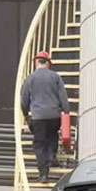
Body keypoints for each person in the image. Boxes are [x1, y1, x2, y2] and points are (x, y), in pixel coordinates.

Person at [19, 51, 70, 184]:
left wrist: (26, 114)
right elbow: (63, 98)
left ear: (36, 62)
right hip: (54, 114)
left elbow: (24, 100)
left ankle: (43, 173)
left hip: (38, 116)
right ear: (48, 63)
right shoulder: (56, 77)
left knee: (40, 143)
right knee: (53, 134)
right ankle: (52, 156)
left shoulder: (30, 78)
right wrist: (66, 112)